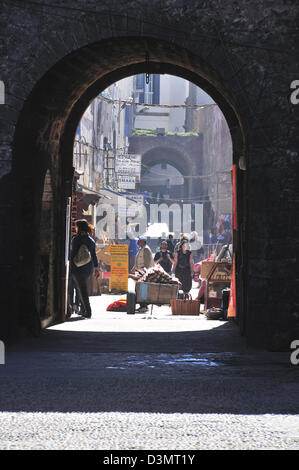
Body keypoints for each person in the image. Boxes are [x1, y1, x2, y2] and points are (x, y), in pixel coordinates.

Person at [70, 219, 99, 318]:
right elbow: (94, 255)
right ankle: (83, 310)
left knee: (81, 289)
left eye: (76, 226)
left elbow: (73, 253)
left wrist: (71, 266)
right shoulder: (91, 240)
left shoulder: (76, 239)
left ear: (79, 228)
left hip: (77, 267)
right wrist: (96, 267)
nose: (75, 228)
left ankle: (88, 311)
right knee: (80, 288)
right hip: (88, 268)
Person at [131, 236, 154, 313]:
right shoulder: (141, 249)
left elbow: (147, 263)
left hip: (144, 273)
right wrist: (133, 268)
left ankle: (144, 306)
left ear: (143, 242)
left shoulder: (146, 249)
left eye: (139, 241)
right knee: (139, 289)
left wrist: (144, 273)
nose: (137, 243)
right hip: (139, 272)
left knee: (142, 290)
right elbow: (138, 260)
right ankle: (142, 305)